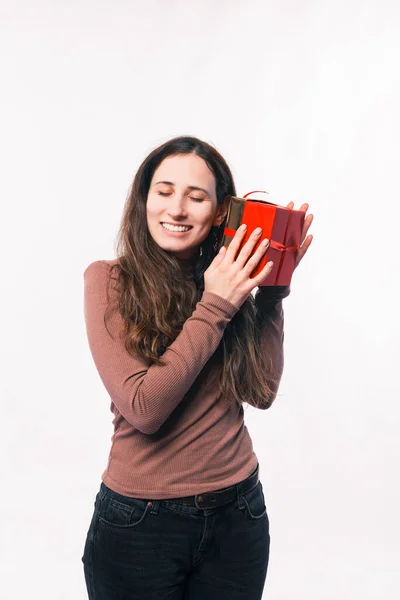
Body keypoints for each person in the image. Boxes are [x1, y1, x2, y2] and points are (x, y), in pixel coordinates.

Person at [81, 135, 313, 599]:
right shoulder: (109, 280)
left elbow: (262, 392)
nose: (177, 209)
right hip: (140, 524)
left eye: (196, 196)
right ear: (144, 199)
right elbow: (145, 408)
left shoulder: (230, 277)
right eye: (164, 191)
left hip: (238, 513)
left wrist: (271, 291)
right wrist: (215, 305)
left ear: (221, 211)